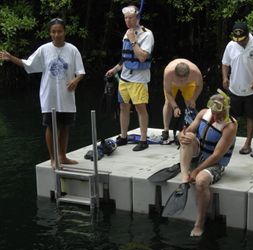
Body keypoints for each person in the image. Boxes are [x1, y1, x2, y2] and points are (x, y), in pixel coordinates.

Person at [0, 18, 85, 168]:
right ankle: (53, 158)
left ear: (64, 32)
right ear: (50, 33)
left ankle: (63, 156)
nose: (56, 34)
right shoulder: (44, 50)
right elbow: (28, 64)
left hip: (66, 96)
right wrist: (10, 57)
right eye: (53, 31)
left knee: (65, 126)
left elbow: (81, 72)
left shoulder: (72, 49)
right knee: (51, 127)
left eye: (59, 31)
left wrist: (75, 80)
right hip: (49, 96)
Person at [177, 90, 237, 236]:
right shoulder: (203, 113)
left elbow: (216, 156)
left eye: (220, 115)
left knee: (201, 181)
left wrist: (197, 170)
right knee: (189, 136)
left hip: (214, 163)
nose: (216, 118)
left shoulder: (230, 126)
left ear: (226, 111)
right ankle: (184, 176)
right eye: (214, 114)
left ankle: (199, 223)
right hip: (198, 155)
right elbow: (188, 131)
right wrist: (181, 136)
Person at [105, 5, 154, 151]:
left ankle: (143, 140)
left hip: (139, 79)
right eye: (125, 18)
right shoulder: (127, 33)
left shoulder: (147, 35)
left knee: (140, 107)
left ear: (137, 18)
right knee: (123, 106)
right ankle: (124, 136)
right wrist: (115, 70)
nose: (128, 20)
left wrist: (133, 40)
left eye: (130, 17)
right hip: (124, 78)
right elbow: (125, 57)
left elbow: (142, 57)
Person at [222, 22, 253, 155]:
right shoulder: (231, 45)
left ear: (248, 34)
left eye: (242, 40)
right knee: (231, 117)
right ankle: (229, 141)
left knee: (251, 116)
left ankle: (248, 143)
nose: (240, 43)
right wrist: (225, 77)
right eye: (238, 40)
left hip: (252, 89)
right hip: (234, 87)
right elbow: (225, 63)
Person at [162, 58, 203, 141]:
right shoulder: (168, 73)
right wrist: (175, 107)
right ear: (174, 74)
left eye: (184, 79)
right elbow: (168, 91)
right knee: (168, 103)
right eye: (179, 79)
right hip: (172, 84)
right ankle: (166, 129)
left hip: (189, 85)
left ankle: (190, 129)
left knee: (190, 105)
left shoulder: (196, 72)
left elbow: (199, 86)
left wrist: (193, 99)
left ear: (189, 74)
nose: (181, 82)